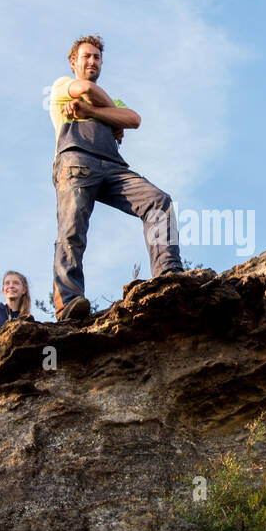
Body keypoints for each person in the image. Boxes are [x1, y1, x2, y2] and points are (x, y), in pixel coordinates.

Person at [49, 34, 183, 320]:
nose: (92, 61)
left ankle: (169, 272)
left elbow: (134, 119)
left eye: (97, 57)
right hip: (76, 160)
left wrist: (89, 110)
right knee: (72, 230)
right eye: (86, 56)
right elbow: (85, 88)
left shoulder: (112, 100)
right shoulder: (61, 86)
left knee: (158, 201)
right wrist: (109, 115)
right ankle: (69, 302)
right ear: (74, 62)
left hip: (113, 166)